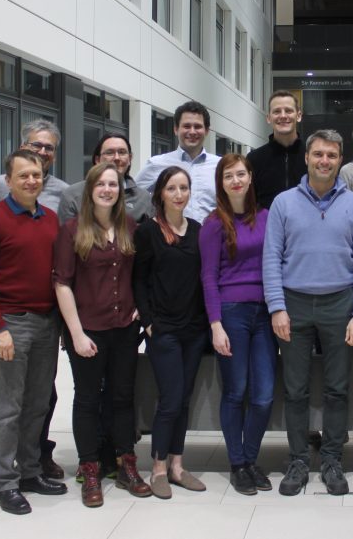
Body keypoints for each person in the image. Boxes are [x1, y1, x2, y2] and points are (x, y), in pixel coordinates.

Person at [263, 129, 353, 496]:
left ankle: (331, 460)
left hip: (340, 304)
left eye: (331, 155)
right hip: (293, 304)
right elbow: (271, 259)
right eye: (318, 154)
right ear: (307, 157)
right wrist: (277, 307)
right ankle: (297, 460)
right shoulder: (283, 203)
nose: (324, 161)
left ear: (340, 160)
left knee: (337, 389)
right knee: (294, 389)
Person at [0, 149, 67, 515]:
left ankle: (29, 472)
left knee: (38, 404)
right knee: (8, 408)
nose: (31, 181)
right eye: (23, 175)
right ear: (8, 181)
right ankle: (5, 482)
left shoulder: (50, 219)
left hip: (46, 323)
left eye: (36, 175)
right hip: (11, 324)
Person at [53, 163, 152, 507]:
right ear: (90, 190)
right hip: (88, 330)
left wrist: (140, 307)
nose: (108, 190)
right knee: (87, 399)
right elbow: (62, 284)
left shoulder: (130, 227)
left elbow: (140, 273)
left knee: (123, 398)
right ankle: (90, 468)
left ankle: (126, 465)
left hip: (124, 328)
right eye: (101, 184)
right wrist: (76, 334)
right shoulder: (72, 230)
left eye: (114, 184)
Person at [199, 154, 277, 496]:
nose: (236, 180)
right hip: (232, 312)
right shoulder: (214, 223)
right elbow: (208, 277)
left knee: (264, 395)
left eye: (241, 174)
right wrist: (215, 324)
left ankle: (249, 458)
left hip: (265, 313)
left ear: (250, 177)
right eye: (228, 175)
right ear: (221, 182)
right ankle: (237, 464)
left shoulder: (267, 217)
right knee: (236, 390)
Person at [134, 166, 210, 499]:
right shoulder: (148, 231)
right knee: (169, 399)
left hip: (193, 329)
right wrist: (148, 321)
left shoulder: (197, 230)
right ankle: (158, 468)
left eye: (184, 188)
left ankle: (178, 465)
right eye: (172, 188)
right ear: (160, 194)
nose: (179, 194)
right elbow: (138, 279)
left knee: (184, 399)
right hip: (163, 329)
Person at [135, 101, 220, 223]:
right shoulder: (156, 164)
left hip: (211, 234)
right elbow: (132, 197)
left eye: (197, 126)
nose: (192, 131)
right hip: (169, 234)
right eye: (186, 126)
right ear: (176, 129)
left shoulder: (220, 166)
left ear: (206, 130)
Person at [0, 119, 69, 212]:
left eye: (49, 148)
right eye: (37, 145)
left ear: (54, 155)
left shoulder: (64, 192)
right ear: (22, 148)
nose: (42, 152)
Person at [59, 133, 153, 225]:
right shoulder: (72, 195)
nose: (117, 158)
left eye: (122, 152)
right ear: (97, 160)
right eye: (109, 153)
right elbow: (67, 233)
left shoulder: (144, 199)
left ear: (130, 158)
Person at [248, 90, 307, 209]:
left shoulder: (312, 156)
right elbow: (249, 202)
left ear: (299, 115)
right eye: (277, 111)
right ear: (269, 118)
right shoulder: (254, 159)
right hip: (267, 221)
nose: (283, 116)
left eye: (288, 111)